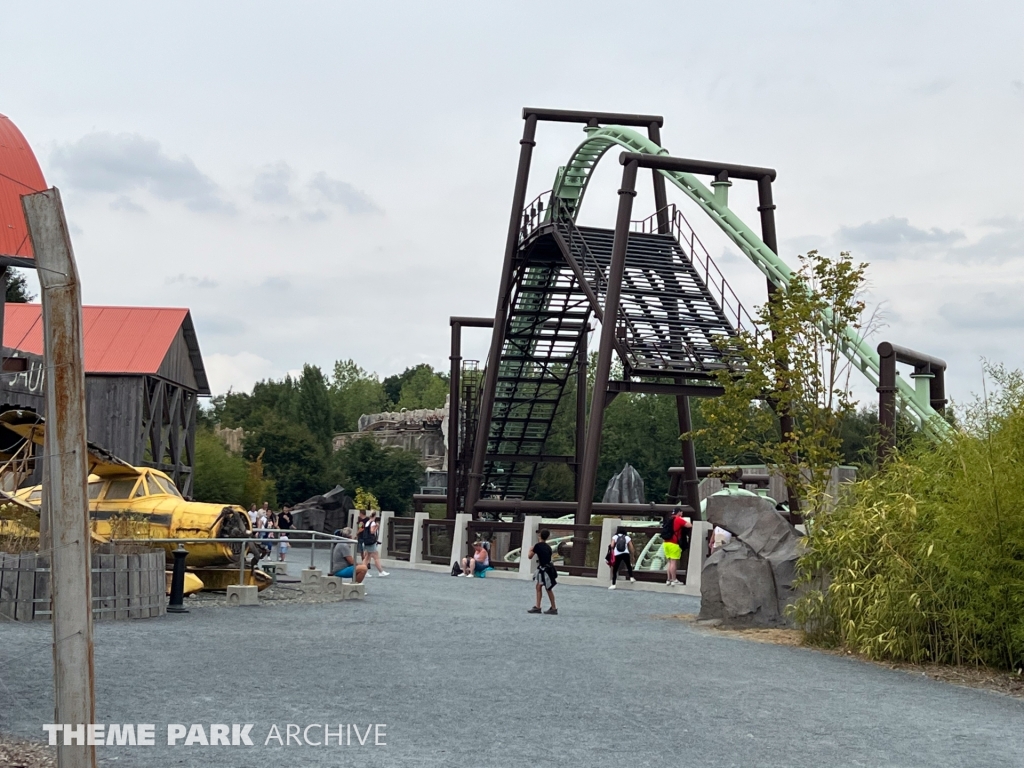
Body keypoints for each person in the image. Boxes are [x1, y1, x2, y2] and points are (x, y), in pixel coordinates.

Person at [527, 529, 557, 615]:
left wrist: (530, 549)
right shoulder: (548, 547)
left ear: (539, 536)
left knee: (541, 587)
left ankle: (539, 607)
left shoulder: (537, 546)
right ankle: (551, 607)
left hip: (543, 569)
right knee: (545, 587)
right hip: (549, 568)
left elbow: (529, 556)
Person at [661, 506, 692, 586]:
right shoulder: (678, 519)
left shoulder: (669, 519)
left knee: (670, 562)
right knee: (674, 562)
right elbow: (689, 525)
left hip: (665, 543)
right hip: (674, 543)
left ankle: (668, 579)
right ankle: (674, 579)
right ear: (679, 512)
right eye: (681, 512)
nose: (682, 514)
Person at [360, 511, 389, 577]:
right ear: (375, 516)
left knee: (367, 558)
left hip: (366, 541)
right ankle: (381, 571)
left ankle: (364, 571)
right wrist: (376, 527)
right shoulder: (373, 523)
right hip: (371, 542)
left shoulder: (367, 522)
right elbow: (372, 532)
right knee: (376, 557)